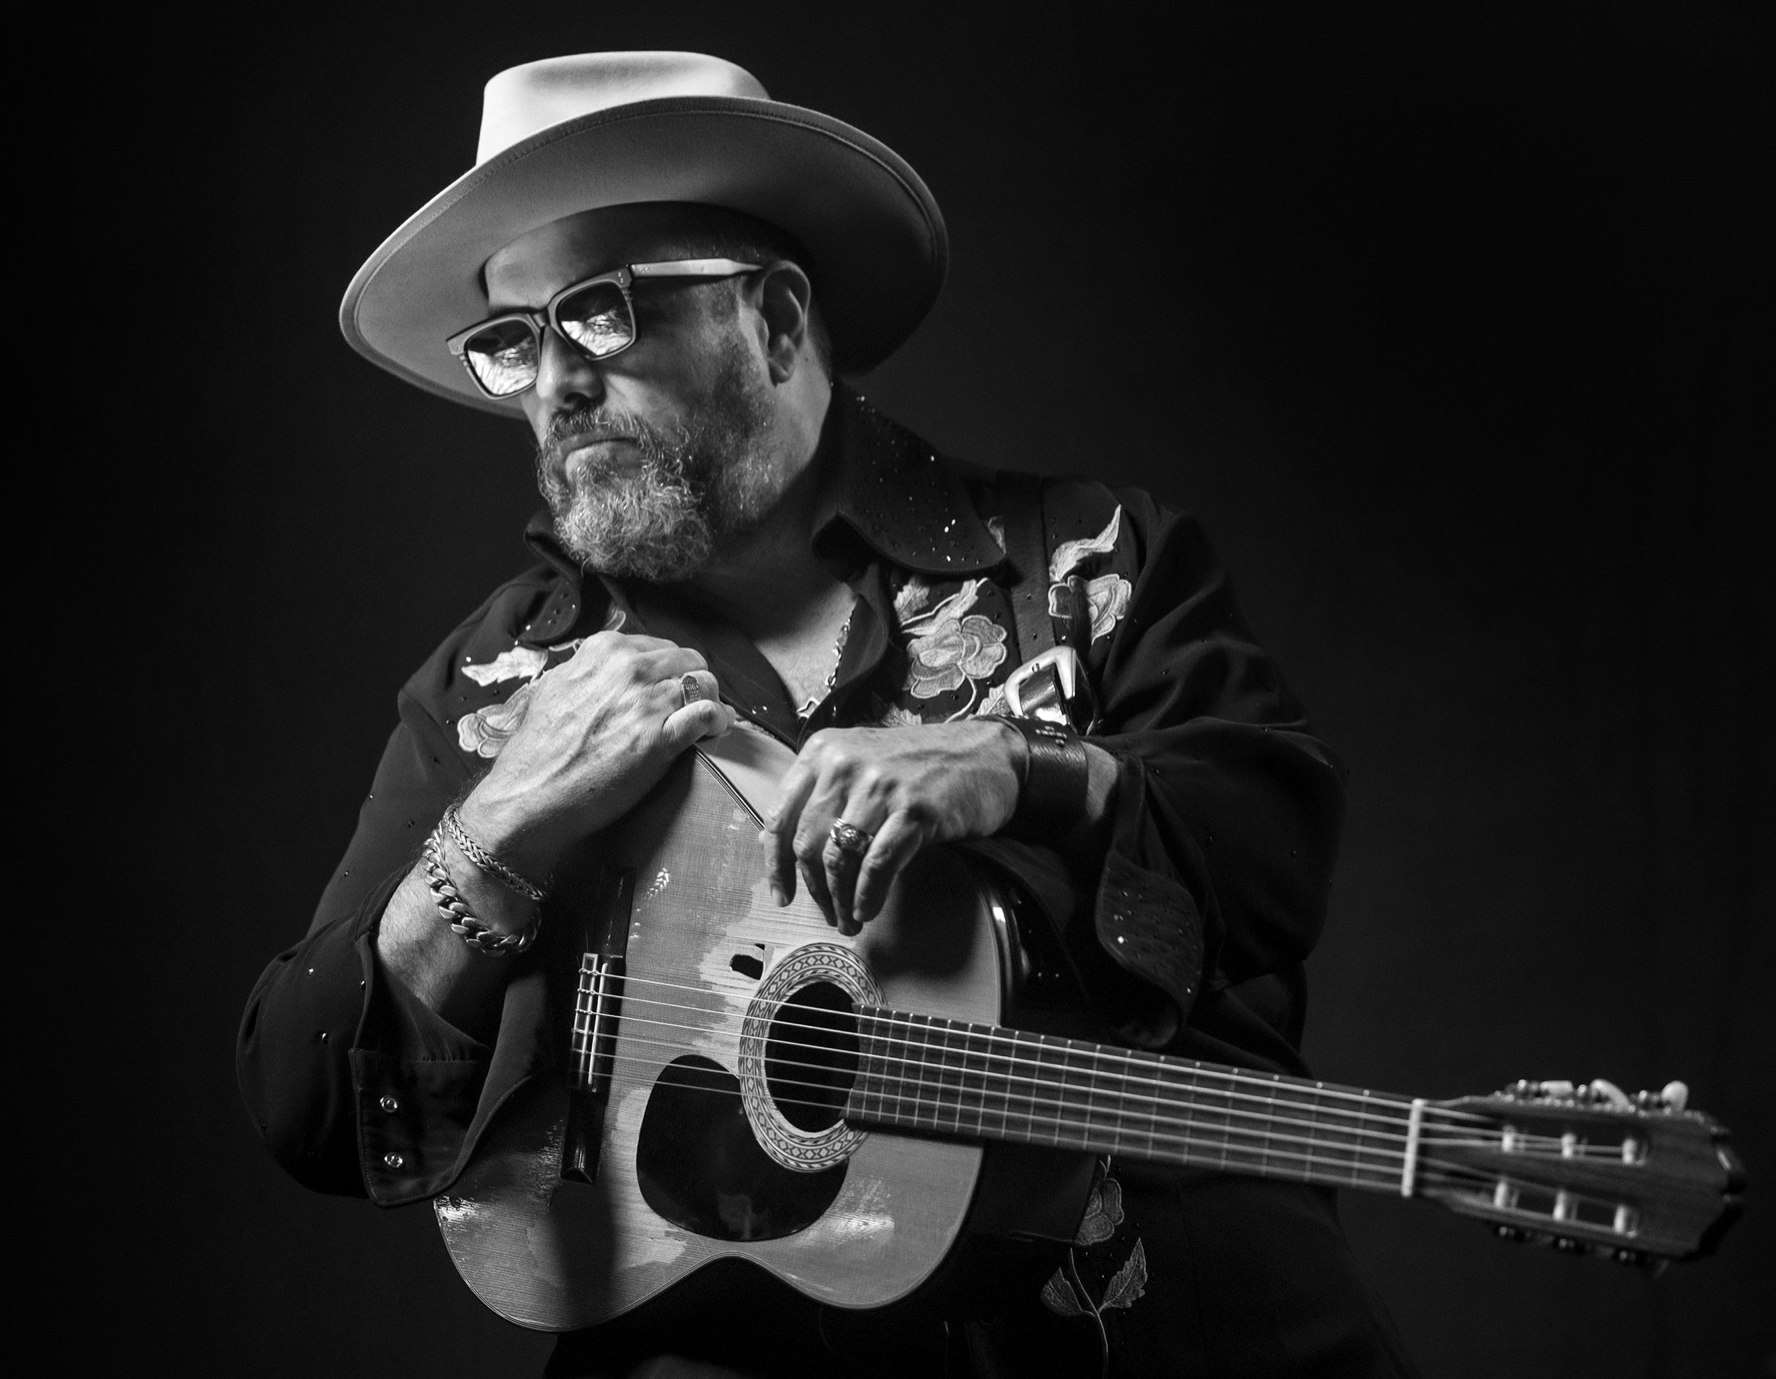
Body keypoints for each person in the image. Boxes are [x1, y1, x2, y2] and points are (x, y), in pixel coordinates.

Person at [239, 51, 1416, 1378]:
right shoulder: (505, 683)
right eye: (516, 342)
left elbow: (1277, 860)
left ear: (778, 319)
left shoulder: (1090, 562)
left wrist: (1031, 771)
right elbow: (308, 1101)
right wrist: (498, 829)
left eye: (605, 317)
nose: (554, 388)